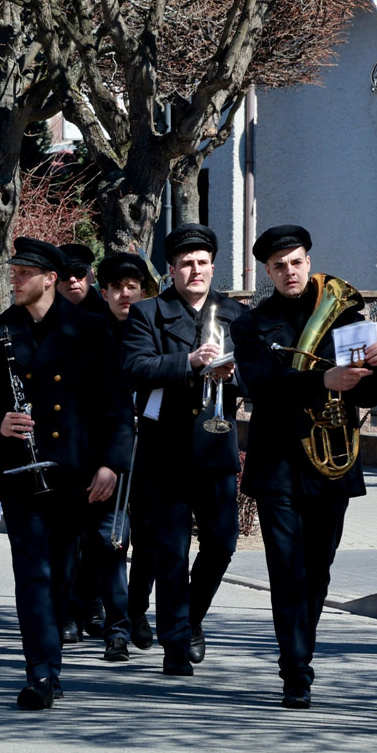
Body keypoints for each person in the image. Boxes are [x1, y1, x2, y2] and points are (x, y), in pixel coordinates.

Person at [0, 237, 132, 710]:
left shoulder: (90, 329)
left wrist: (111, 463)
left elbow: (116, 405)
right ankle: (40, 671)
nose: (13, 280)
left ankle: (50, 661)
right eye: (13, 272)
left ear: (49, 279)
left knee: (62, 573)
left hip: (73, 471)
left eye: (23, 273)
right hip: (21, 472)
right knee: (31, 572)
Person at [231, 224, 377, 708]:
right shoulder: (252, 325)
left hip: (332, 464)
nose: (290, 271)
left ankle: (300, 653)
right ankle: (295, 670)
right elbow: (259, 386)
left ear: (307, 260)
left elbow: (365, 389)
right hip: (279, 462)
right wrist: (324, 378)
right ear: (267, 271)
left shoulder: (345, 313)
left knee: (318, 570)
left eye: (297, 261)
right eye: (279, 266)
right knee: (286, 570)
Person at [122, 224, 247, 674]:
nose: (195, 270)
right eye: (186, 264)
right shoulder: (148, 313)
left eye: (202, 263)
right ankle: (175, 642)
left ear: (213, 267)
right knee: (170, 551)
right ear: (172, 270)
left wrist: (232, 375)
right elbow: (135, 367)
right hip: (166, 448)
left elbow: (257, 375)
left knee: (222, 543)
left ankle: (191, 618)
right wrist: (189, 362)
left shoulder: (235, 314)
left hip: (215, 446)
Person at [95, 252, 158, 649]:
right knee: (112, 540)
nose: (124, 295)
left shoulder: (155, 327)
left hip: (152, 447)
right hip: (109, 452)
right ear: (105, 293)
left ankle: (137, 610)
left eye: (132, 287)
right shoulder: (93, 333)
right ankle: (115, 625)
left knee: (150, 539)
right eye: (117, 288)